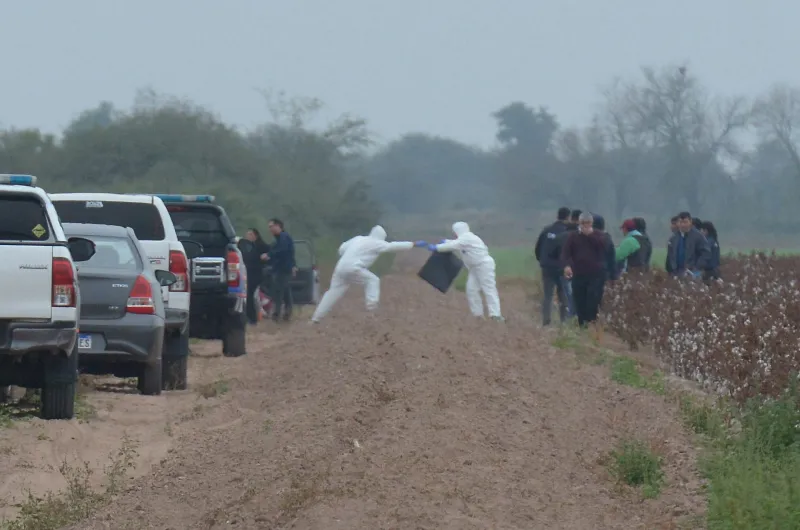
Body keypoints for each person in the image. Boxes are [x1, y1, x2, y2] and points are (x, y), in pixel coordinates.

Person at [310, 226, 424, 323]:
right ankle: (372, 308)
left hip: (340, 267)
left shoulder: (358, 239)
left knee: (333, 292)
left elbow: (341, 249)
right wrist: (413, 244)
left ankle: (316, 318)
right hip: (353, 267)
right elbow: (392, 246)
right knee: (373, 280)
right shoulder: (377, 243)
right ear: (381, 237)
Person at [429, 221, 504, 321]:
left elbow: (453, 245)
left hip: (484, 265)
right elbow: (453, 243)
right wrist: (444, 241)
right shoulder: (464, 238)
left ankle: (496, 315)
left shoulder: (467, 237)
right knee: (471, 290)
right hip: (474, 268)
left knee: (488, 289)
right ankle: (478, 315)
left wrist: (435, 247)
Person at [562, 212, 607, 328]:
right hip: (579, 273)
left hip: (595, 274)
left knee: (592, 299)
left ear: (592, 223)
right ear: (579, 223)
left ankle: (592, 323)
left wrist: (590, 235)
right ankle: (582, 325)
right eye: (583, 223)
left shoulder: (599, 235)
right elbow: (566, 253)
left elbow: (602, 247)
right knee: (579, 299)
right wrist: (567, 266)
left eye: (588, 223)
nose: (585, 226)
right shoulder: (573, 236)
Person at [534, 207, 572, 326]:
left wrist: (542, 260)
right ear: (568, 217)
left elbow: (538, 248)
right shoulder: (567, 232)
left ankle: (546, 320)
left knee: (548, 295)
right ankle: (564, 321)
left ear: (557, 216)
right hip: (561, 267)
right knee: (563, 295)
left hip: (547, 267)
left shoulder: (546, 230)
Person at [265, 218, 297, 322]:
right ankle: (287, 312)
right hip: (281, 268)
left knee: (279, 292)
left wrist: (269, 255)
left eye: (271, 226)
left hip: (283, 269)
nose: (270, 229)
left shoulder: (283, 237)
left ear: (278, 226)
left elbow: (283, 251)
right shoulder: (279, 238)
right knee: (285, 291)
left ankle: (276, 314)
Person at [666, 212, 711, 278]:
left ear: (690, 222)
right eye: (680, 222)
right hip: (676, 273)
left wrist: (696, 267)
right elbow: (670, 256)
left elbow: (706, 254)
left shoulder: (698, 236)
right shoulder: (673, 238)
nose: (683, 225)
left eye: (685, 222)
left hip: (693, 273)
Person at [241, 228, 270, 325]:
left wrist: (265, 258)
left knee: (250, 296)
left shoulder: (261, 245)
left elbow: (270, 254)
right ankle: (251, 317)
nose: (248, 236)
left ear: (255, 235)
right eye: (247, 234)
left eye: (250, 234)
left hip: (256, 274)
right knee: (249, 296)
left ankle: (252, 318)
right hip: (248, 274)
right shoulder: (247, 246)